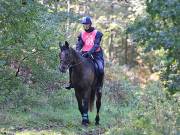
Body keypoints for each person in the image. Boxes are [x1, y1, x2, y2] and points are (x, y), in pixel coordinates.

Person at [65, 16, 104, 90]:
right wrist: (78, 51)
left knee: (100, 68)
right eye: (84, 24)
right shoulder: (82, 34)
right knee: (72, 65)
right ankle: (71, 82)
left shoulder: (97, 33)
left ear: (90, 24)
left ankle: (99, 86)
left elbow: (96, 45)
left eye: (87, 24)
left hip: (96, 54)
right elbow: (79, 44)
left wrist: (90, 52)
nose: (85, 26)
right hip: (84, 53)